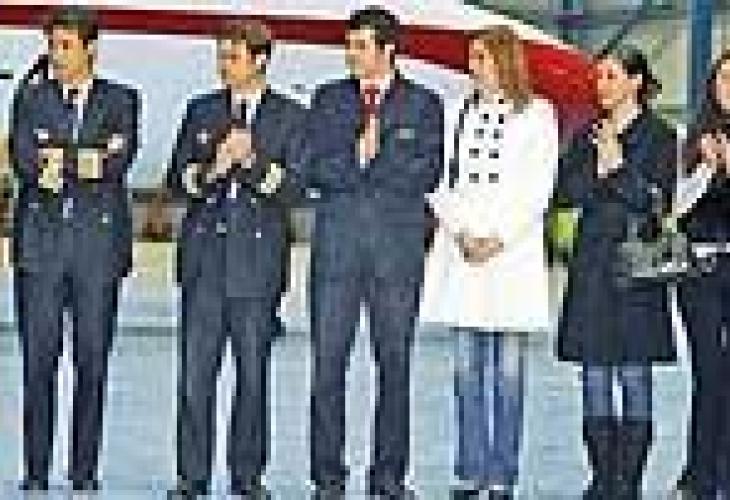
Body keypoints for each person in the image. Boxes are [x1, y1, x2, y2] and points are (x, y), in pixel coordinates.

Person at [304, 6, 444, 498]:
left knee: (395, 367)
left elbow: (427, 172)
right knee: (327, 369)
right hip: (336, 255)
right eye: (349, 45)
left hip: (396, 257)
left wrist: (376, 162)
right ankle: (328, 477)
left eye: (360, 46)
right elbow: (313, 167)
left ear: (388, 50)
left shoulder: (423, 105)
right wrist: (357, 158)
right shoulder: (327, 100)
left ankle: (389, 477)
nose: (351, 54)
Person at [165, 21, 304, 499]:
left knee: (252, 377)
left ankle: (248, 475)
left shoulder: (290, 116)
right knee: (194, 379)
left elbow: (295, 188)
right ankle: (191, 476)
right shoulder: (201, 110)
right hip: (204, 265)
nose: (224, 66)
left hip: (257, 267)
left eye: (233, 57)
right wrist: (214, 168)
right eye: (221, 56)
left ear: (260, 60)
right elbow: (177, 179)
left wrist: (252, 163)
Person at [421, 25, 559, 500]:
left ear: (504, 60)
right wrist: (460, 230)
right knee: (465, 370)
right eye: (472, 57)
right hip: (462, 251)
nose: (473, 66)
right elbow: (438, 179)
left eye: (481, 57)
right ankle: (469, 468)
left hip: (511, 254)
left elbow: (539, 187)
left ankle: (503, 473)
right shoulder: (455, 111)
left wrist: (499, 237)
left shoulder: (538, 114)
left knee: (509, 372)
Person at [8, 6, 139, 492]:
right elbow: (26, 162)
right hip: (40, 252)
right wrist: (82, 160)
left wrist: (62, 160)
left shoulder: (121, 100)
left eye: (66, 46)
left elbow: (115, 164)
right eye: (52, 46)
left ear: (91, 49)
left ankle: (84, 471)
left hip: (96, 254)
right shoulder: (30, 98)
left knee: (92, 365)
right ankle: (36, 471)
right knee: (38, 366)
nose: (56, 55)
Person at [554, 46, 677, 499]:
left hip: (636, 268)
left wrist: (617, 167)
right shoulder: (587, 133)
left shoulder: (661, 136)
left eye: (610, 76)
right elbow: (564, 191)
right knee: (593, 375)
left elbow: (655, 200)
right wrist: (601, 169)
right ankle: (602, 477)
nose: (601, 85)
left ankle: (629, 482)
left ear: (635, 81)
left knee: (634, 374)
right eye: (599, 76)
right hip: (591, 266)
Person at [673, 50, 730, 500]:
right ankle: (699, 477)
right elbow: (676, 208)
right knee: (708, 378)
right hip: (702, 273)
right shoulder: (693, 138)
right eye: (724, 76)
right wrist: (708, 167)